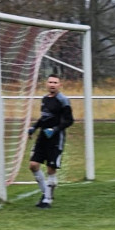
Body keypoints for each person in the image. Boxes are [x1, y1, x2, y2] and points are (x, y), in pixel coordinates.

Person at [27, 75, 75, 209]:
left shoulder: (63, 100)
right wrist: (34, 128)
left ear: (60, 85)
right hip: (42, 137)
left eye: (55, 82)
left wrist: (55, 129)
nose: (52, 84)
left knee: (50, 169)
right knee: (33, 165)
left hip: (55, 139)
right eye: (50, 82)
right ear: (46, 84)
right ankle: (46, 193)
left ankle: (47, 200)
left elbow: (69, 120)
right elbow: (44, 118)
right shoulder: (45, 99)